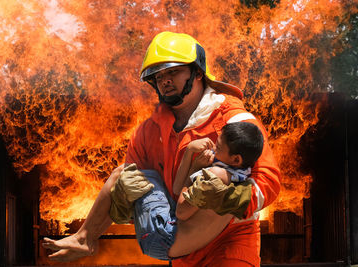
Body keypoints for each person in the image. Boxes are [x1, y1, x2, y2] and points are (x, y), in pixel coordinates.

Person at [42, 31, 281, 266]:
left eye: (173, 72)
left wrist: (228, 197)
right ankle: (83, 239)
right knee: (126, 175)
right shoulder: (148, 132)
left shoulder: (235, 121)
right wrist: (125, 202)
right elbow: (145, 195)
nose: (164, 80)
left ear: (197, 73)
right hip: (181, 252)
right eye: (158, 76)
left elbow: (268, 180)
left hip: (230, 247)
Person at [132, 121, 264, 261]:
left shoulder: (213, 175)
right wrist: (189, 152)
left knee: (142, 175)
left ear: (236, 159)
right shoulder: (242, 176)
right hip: (175, 246)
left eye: (218, 148)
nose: (213, 148)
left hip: (163, 237)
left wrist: (195, 167)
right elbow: (178, 190)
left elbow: (181, 211)